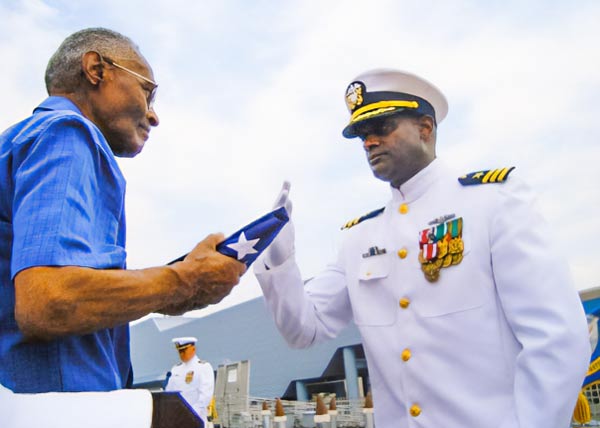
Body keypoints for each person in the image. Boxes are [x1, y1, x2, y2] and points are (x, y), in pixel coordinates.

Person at [254, 68, 590, 427]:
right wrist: (279, 260)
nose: (368, 142)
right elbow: (304, 329)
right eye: (362, 135)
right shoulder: (360, 238)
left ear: (425, 127)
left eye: (381, 128)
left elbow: (556, 338)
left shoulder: (494, 203)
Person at [0, 28, 246, 394]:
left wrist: (169, 291)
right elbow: (48, 302)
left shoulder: (20, 142)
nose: (154, 114)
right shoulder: (68, 133)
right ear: (96, 69)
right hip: (58, 410)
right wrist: (184, 280)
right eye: (148, 90)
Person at [165, 337, 215, 426]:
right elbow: (169, 394)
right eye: (180, 352)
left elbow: (205, 396)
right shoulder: (176, 369)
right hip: (177, 420)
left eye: (184, 351)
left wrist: (190, 414)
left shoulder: (203, 367)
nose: (182, 354)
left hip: (194, 419)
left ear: (193, 349)